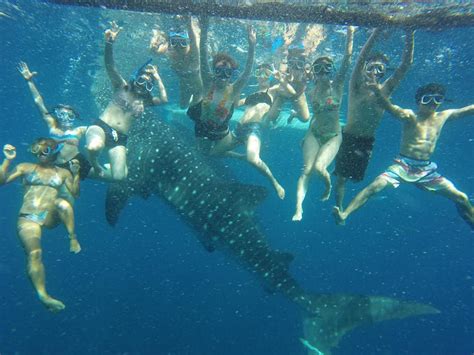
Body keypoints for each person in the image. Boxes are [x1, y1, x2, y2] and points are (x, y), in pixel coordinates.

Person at [333, 83, 474, 229]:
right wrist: (378, 93)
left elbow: (468, 110)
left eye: (437, 99)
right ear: (419, 101)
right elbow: (390, 107)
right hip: (403, 165)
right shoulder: (410, 115)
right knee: (375, 186)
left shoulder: (443, 116)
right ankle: (345, 214)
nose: (432, 103)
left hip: (426, 169)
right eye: (427, 99)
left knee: (461, 198)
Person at [334, 28, 415, 210]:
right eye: (371, 67)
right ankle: (339, 208)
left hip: (366, 142)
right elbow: (360, 58)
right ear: (364, 69)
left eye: (380, 69)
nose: (375, 72)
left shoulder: (385, 90)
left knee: (354, 178)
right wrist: (377, 31)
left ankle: (346, 209)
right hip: (348, 138)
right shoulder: (356, 87)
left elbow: (406, 64)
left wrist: (411, 31)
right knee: (341, 178)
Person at [0, 139, 81, 312]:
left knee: (64, 204)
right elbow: (2, 181)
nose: (40, 154)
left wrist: (76, 173)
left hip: (49, 217)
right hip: (28, 218)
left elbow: (75, 193)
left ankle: (72, 238)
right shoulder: (25, 167)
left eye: (45, 151)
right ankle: (43, 295)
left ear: (54, 151)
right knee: (35, 254)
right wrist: (7, 160)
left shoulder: (63, 172)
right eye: (36, 151)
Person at [86, 21, 168, 181]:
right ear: (134, 79)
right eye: (140, 81)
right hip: (101, 127)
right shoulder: (121, 87)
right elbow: (110, 66)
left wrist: (157, 78)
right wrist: (109, 42)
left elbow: (164, 99)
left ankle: (84, 169)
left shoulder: (145, 102)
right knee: (94, 146)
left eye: (148, 84)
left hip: (120, 138)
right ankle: (94, 165)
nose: (142, 86)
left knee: (119, 176)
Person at [292, 26, 355, 221]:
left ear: (332, 71)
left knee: (320, 169)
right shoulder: (310, 91)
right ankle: (298, 208)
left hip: (334, 135)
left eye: (326, 68)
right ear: (315, 73)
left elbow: (347, 59)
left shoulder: (337, 86)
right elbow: (313, 114)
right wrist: (305, 134)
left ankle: (327, 187)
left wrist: (350, 34)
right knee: (306, 171)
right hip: (314, 133)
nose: (322, 72)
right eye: (318, 69)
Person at [211, 63, 290, 199]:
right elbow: (235, 104)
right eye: (258, 73)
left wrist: (280, 78)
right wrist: (235, 91)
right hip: (238, 129)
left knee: (253, 159)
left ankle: (275, 183)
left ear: (271, 75)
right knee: (213, 152)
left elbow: (289, 92)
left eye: (265, 73)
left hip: (254, 129)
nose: (261, 77)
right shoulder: (252, 94)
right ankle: (242, 157)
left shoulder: (272, 90)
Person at [187, 17, 256, 154]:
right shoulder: (208, 83)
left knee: (213, 153)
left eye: (227, 73)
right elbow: (203, 56)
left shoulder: (233, 90)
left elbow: (247, 71)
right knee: (205, 154)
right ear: (213, 72)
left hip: (221, 132)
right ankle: (235, 155)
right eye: (219, 71)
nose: (223, 76)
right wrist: (204, 31)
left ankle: (236, 144)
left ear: (231, 75)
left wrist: (252, 46)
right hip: (202, 128)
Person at [18, 61, 94, 180]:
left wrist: (110, 140)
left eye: (69, 116)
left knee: (111, 176)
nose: (65, 118)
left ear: (74, 117)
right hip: (56, 166)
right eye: (61, 114)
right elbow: (39, 102)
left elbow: (97, 130)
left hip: (77, 162)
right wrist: (29, 81)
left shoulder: (78, 130)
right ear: (56, 115)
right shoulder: (52, 125)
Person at [150, 16, 201, 108]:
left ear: (187, 42)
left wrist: (189, 23)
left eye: (182, 42)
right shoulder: (171, 51)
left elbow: (194, 39)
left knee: (194, 109)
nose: (178, 46)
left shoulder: (193, 54)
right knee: (183, 106)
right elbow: (154, 51)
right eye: (174, 42)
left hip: (197, 86)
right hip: (184, 83)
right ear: (171, 43)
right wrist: (153, 45)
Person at [265, 47, 311, 124]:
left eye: (299, 64)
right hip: (283, 93)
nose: (295, 67)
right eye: (292, 63)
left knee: (305, 119)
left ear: (303, 65)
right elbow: (278, 85)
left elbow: (295, 93)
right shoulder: (284, 69)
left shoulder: (305, 74)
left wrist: (283, 81)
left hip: (297, 94)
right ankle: (272, 119)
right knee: (271, 117)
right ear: (289, 63)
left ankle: (294, 114)